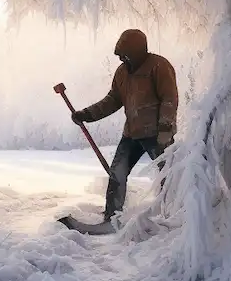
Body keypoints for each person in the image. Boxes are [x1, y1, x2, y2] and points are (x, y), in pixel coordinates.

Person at [71, 28, 178, 222]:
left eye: (125, 55)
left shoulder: (159, 66)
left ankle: (172, 215)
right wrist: (86, 114)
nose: (121, 59)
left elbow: (169, 99)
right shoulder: (122, 73)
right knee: (117, 174)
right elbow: (112, 100)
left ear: (137, 51)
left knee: (167, 175)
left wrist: (165, 128)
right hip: (132, 134)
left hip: (157, 134)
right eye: (120, 55)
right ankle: (112, 216)